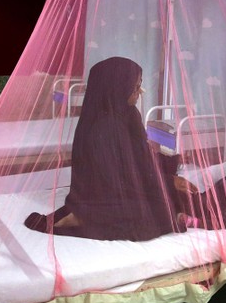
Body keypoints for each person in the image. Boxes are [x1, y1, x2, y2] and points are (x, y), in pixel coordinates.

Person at [24, 57, 195, 241]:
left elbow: (140, 157)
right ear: (117, 87)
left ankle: (84, 216)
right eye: (135, 87)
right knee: (153, 217)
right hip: (105, 197)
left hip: (121, 188)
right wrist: (167, 182)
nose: (140, 92)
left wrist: (173, 163)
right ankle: (83, 218)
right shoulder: (105, 127)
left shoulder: (128, 114)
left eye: (139, 85)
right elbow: (123, 175)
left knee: (172, 200)